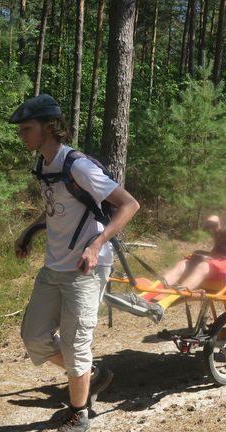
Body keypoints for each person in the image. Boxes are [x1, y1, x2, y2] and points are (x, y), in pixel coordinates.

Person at [10, 94, 140, 432]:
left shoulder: (77, 165)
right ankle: (92, 375)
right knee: (34, 336)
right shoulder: (43, 164)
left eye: (27, 128)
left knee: (75, 343)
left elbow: (129, 205)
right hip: (54, 266)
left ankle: (78, 413)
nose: (21, 135)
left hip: (87, 268)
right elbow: (55, 208)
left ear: (49, 128)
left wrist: (97, 244)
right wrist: (29, 232)